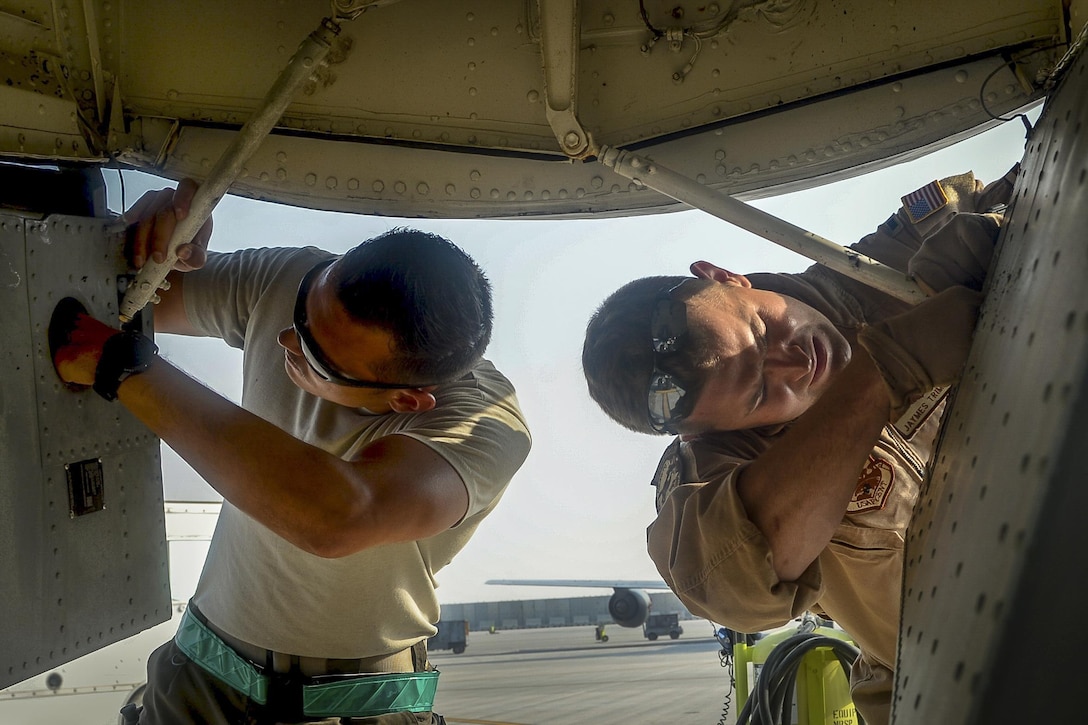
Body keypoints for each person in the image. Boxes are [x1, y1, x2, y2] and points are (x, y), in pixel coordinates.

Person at [52, 179, 532, 725]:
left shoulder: (484, 426)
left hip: (358, 704)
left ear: (406, 399)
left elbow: (339, 517)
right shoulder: (290, 279)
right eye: (302, 310)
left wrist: (121, 367)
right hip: (202, 679)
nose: (285, 338)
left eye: (314, 354)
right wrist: (141, 243)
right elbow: (113, 296)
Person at [581, 168, 1017, 724]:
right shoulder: (715, 465)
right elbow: (727, 584)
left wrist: (1014, 234)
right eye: (763, 390)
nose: (798, 361)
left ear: (724, 276)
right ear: (704, 431)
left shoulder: (901, 253)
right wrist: (882, 373)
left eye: (763, 331)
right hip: (971, 692)